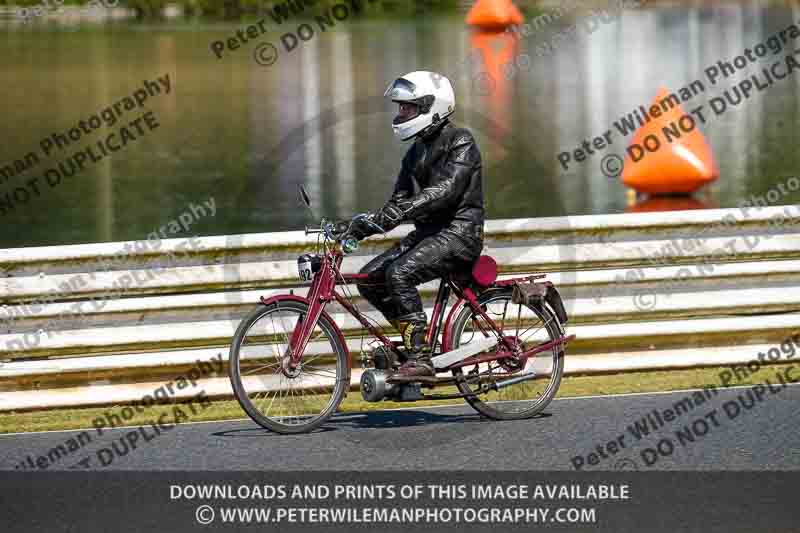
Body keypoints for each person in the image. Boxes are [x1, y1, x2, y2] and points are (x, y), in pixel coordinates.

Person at [340, 71, 485, 382]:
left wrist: (402, 211)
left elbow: (445, 191)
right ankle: (415, 343)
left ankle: (420, 359)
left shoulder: (461, 141)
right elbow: (397, 203)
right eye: (401, 107)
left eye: (408, 107)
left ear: (432, 106)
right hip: (429, 234)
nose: (401, 113)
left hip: (460, 233)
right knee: (370, 279)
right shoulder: (415, 152)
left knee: (399, 273)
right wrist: (359, 226)